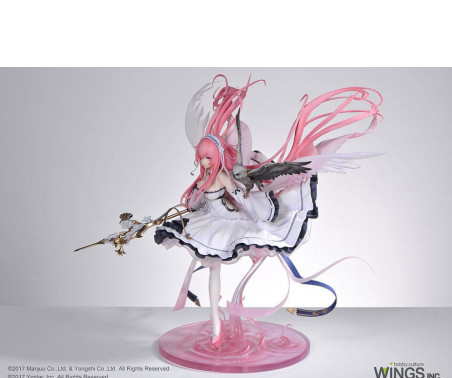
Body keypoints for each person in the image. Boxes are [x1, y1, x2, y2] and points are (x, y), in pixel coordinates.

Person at [154, 74, 382, 349]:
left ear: (216, 157)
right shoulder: (205, 176)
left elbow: (241, 195)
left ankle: (222, 323)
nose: (203, 162)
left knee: (218, 262)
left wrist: (253, 206)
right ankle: (216, 326)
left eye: (207, 157)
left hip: (228, 222)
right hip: (210, 222)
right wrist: (190, 203)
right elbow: (196, 202)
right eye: (201, 157)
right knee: (212, 267)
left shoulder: (223, 176)